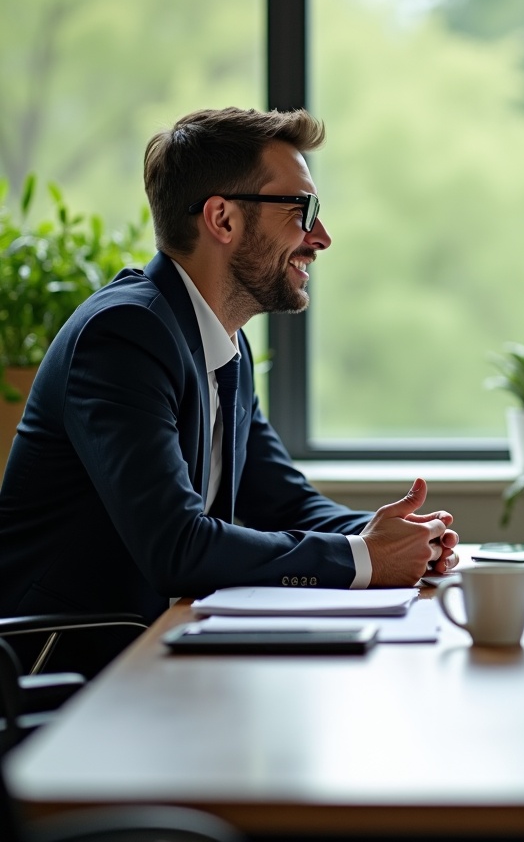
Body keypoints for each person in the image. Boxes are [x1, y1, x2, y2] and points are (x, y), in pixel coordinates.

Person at [0, 107, 458, 643]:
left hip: (156, 649)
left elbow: (282, 500)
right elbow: (177, 546)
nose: (322, 236)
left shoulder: (222, 341)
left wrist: (396, 538)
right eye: (303, 209)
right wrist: (362, 558)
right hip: (67, 662)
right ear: (221, 219)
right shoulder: (125, 334)